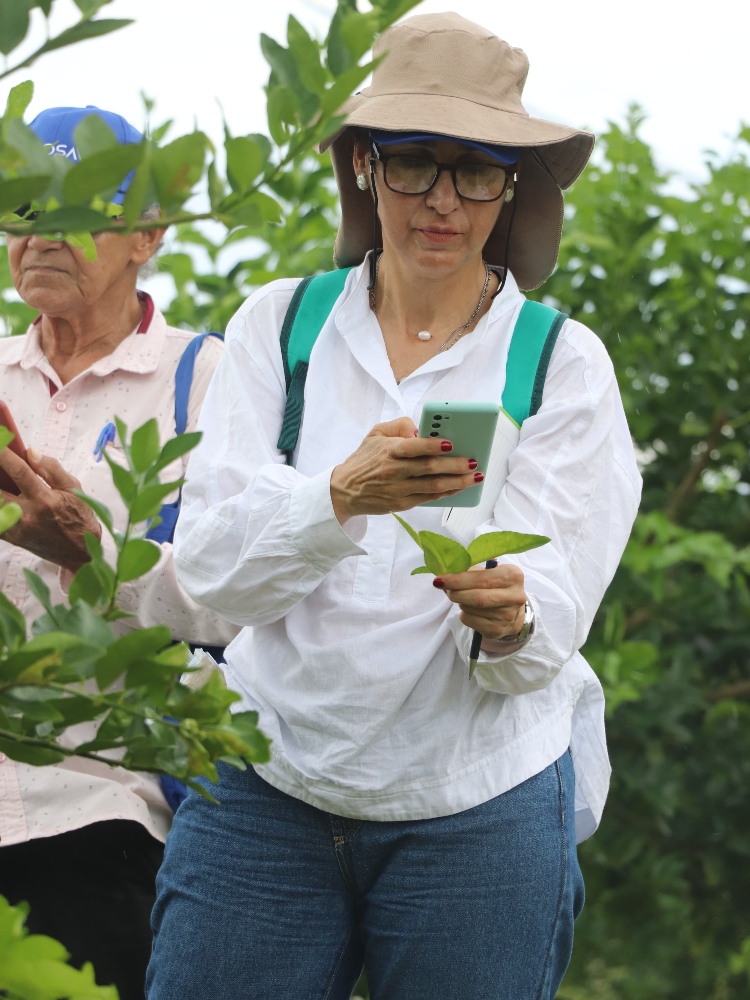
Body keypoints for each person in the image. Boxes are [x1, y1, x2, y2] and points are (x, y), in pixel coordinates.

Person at [148, 13, 642, 1000]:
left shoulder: (559, 364)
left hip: (477, 798)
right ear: (367, 166)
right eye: (416, 163)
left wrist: (509, 616)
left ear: (515, 186)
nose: (443, 201)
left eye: (477, 170)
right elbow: (207, 571)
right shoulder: (281, 327)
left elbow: (552, 611)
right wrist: (340, 498)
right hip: (266, 775)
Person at [0, 106, 238, 1000]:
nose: (41, 238)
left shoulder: (208, 382)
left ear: (149, 234)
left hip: (100, 807)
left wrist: (87, 554)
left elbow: (238, 604)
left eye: (75, 211)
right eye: (24, 211)